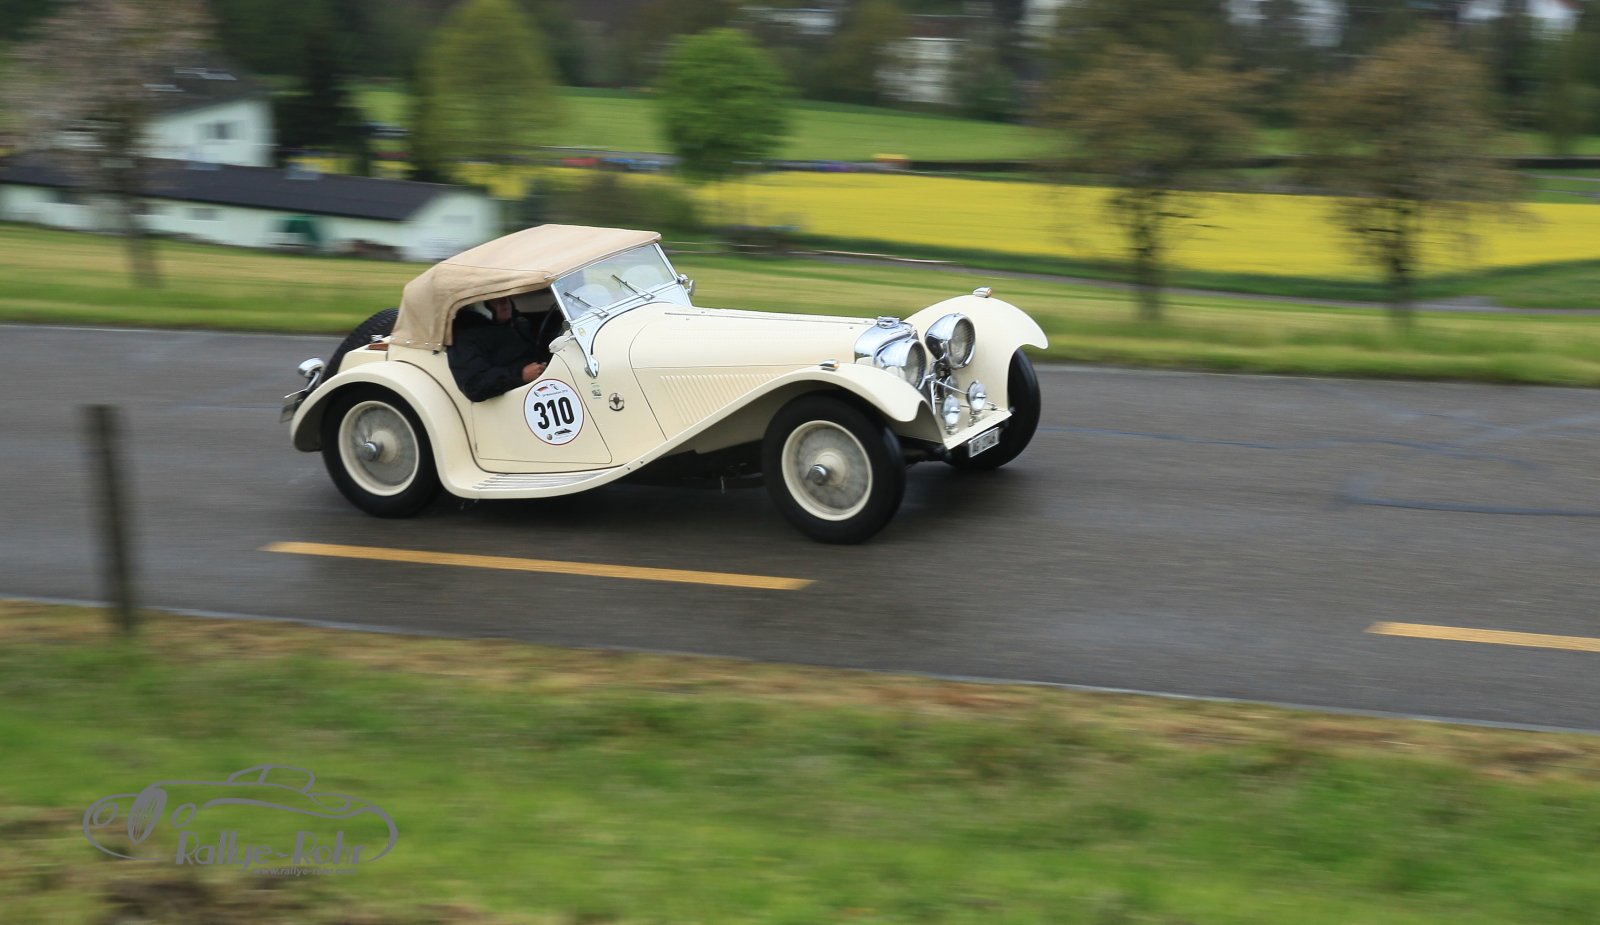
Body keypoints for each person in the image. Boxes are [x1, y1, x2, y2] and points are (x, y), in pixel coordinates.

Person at [448, 295, 551, 402]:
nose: (505, 304)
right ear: (479, 305)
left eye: (506, 298)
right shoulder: (465, 337)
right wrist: (520, 375)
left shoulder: (518, 322)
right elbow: (474, 386)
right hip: (514, 400)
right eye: (496, 301)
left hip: (541, 390)